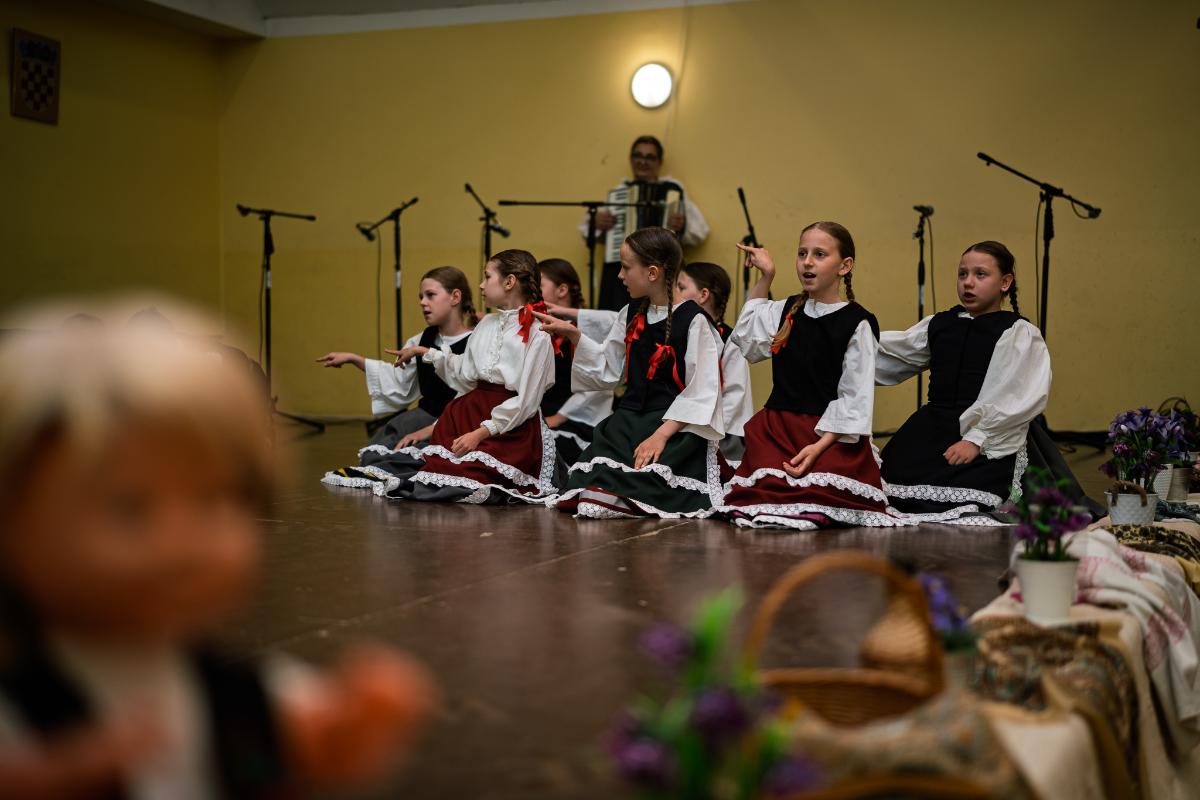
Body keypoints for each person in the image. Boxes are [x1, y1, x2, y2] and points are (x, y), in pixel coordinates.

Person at [0, 300, 433, 798]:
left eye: (215, 502)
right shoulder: (20, 704)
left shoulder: (235, 688)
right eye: (130, 508)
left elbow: (291, 737)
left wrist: (343, 731)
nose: (182, 541)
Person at [537, 227, 726, 518]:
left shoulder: (694, 320)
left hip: (671, 427)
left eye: (626, 267)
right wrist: (575, 336)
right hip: (626, 423)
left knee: (646, 485)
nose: (620, 275)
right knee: (590, 485)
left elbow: (702, 391)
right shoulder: (630, 312)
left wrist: (660, 436)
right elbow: (608, 369)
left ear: (652, 273)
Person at [719, 222, 898, 530]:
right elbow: (745, 337)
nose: (807, 262)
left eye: (819, 254)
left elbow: (854, 397)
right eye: (802, 253)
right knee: (762, 495)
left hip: (828, 435)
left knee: (821, 493)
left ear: (845, 266)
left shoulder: (857, 323)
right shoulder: (786, 310)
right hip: (777, 430)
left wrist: (818, 448)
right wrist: (766, 277)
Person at [875, 240, 1051, 524]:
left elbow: (1015, 393)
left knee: (967, 496)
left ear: (1005, 282)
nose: (968, 282)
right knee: (889, 488)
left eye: (981, 274)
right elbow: (894, 352)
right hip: (932, 426)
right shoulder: (941, 324)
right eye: (962, 274)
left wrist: (976, 439)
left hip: (983, 432)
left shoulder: (1018, 332)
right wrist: (846, 342)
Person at [385, 249, 559, 504]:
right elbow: (464, 372)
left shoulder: (537, 333)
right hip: (469, 412)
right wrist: (426, 353)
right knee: (438, 472)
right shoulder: (487, 324)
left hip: (509, 426)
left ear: (509, 282)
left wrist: (481, 433)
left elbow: (527, 401)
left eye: (487, 277)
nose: (481, 285)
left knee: (470, 477)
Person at [318, 267, 474, 490]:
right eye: (421, 297)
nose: (422, 302)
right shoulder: (421, 339)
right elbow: (397, 379)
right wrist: (355, 359)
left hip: (456, 423)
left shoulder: (475, 343)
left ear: (455, 297)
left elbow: (473, 394)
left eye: (430, 295)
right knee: (377, 455)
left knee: (422, 460)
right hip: (423, 415)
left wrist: (432, 429)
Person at [579, 135, 709, 311]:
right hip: (623, 275)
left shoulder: (673, 189)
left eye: (650, 157)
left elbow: (700, 231)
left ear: (659, 162)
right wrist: (598, 223)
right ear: (631, 159)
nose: (643, 162)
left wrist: (683, 225)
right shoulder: (619, 192)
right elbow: (586, 231)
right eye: (638, 156)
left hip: (658, 275)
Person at [674, 261, 754, 463]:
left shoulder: (730, 340)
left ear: (703, 295)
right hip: (682, 427)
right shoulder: (679, 334)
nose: (675, 293)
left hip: (719, 436)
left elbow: (734, 395)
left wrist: (698, 430)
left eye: (681, 287)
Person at [537, 258, 613, 464]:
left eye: (539, 286)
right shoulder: (538, 329)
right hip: (543, 410)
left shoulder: (588, 330)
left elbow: (596, 383)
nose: (533, 291)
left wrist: (560, 416)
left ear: (562, 290)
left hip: (577, 416)